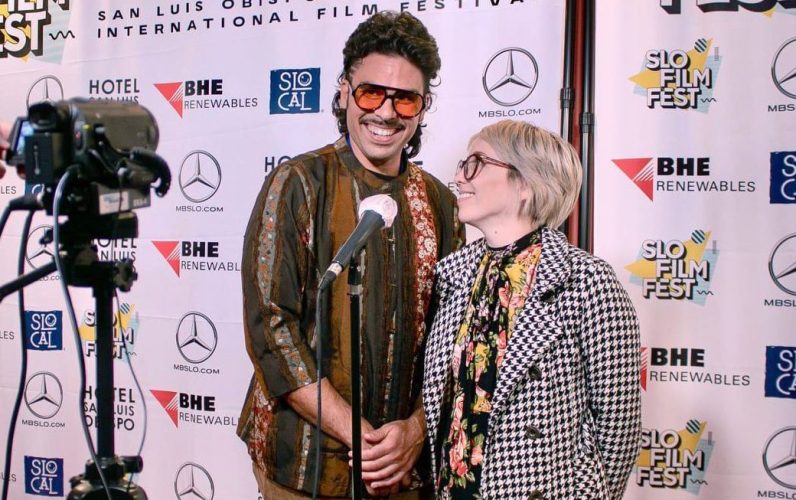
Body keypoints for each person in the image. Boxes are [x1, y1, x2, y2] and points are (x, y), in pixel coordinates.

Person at [238, 11, 463, 499]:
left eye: (405, 98)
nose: (385, 112)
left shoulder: (443, 206)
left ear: (423, 109)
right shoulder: (298, 183)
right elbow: (271, 332)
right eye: (370, 92)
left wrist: (414, 433)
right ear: (344, 91)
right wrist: (357, 436)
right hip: (303, 465)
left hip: (403, 469)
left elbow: (457, 340)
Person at [423, 120, 641, 499]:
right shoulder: (453, 275)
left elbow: (618, 428)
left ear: (525, 184)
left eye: (476, 163)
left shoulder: (586, 282)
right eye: (463, 163)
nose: (458, 176)